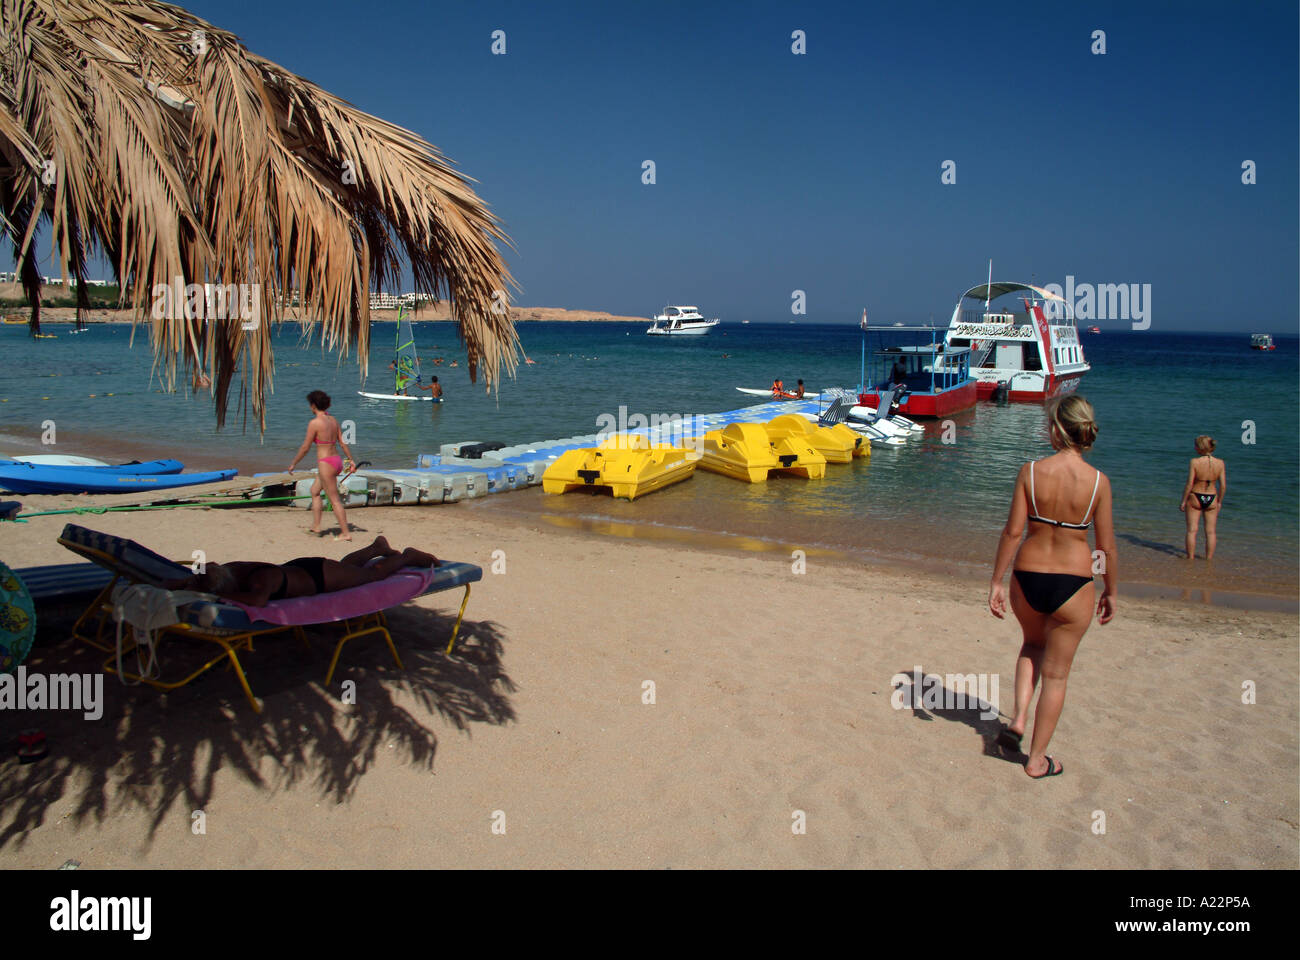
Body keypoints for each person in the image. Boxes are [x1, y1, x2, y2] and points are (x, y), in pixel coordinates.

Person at [988, 395, 1117, 779]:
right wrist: (1111, 590)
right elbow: (1106, 547)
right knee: (1057, 675)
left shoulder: (1030, 471)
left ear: (1056, 428)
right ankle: (1037, 759)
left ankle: (1019, 720)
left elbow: (1013, 532)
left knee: (1031, 645)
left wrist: (996, 580)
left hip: (1028, 576)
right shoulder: (1098, 483)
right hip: (1073, 583)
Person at [169, 537, 439, 606]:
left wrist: (217, 599)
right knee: (345, 567)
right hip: (306, 569)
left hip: (316, 577)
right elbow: (199, 578)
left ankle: (407, 557)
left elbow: (258, 601)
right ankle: (376, 547)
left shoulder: (259, 581)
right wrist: (180, 585)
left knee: (372, 576)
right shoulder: (229, 571)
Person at [288, 390, 357, 540]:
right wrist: (351, 460)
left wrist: (294, 463)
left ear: (313, 406)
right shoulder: (333, 420)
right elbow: (342, 442)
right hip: (336, 461)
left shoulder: (315, 423)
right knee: (314, 491)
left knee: (334, 499)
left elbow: (305, 447)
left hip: (326, 463)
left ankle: (345, 533)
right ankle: (316, 527)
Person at [1180, 435, 1225, 559]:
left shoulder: (1194, 462)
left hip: (1195, 496)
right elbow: (1223, 485)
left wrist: (1183, 501)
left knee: (1192, 530)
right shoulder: (1220, 463)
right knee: (1210, 532)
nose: (1194, 448)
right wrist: (1220, 501)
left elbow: (1190, 483)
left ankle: (1190, 558)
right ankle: (1209, 559)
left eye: (1196, 445)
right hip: (1212, 497)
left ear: (1200, 447)